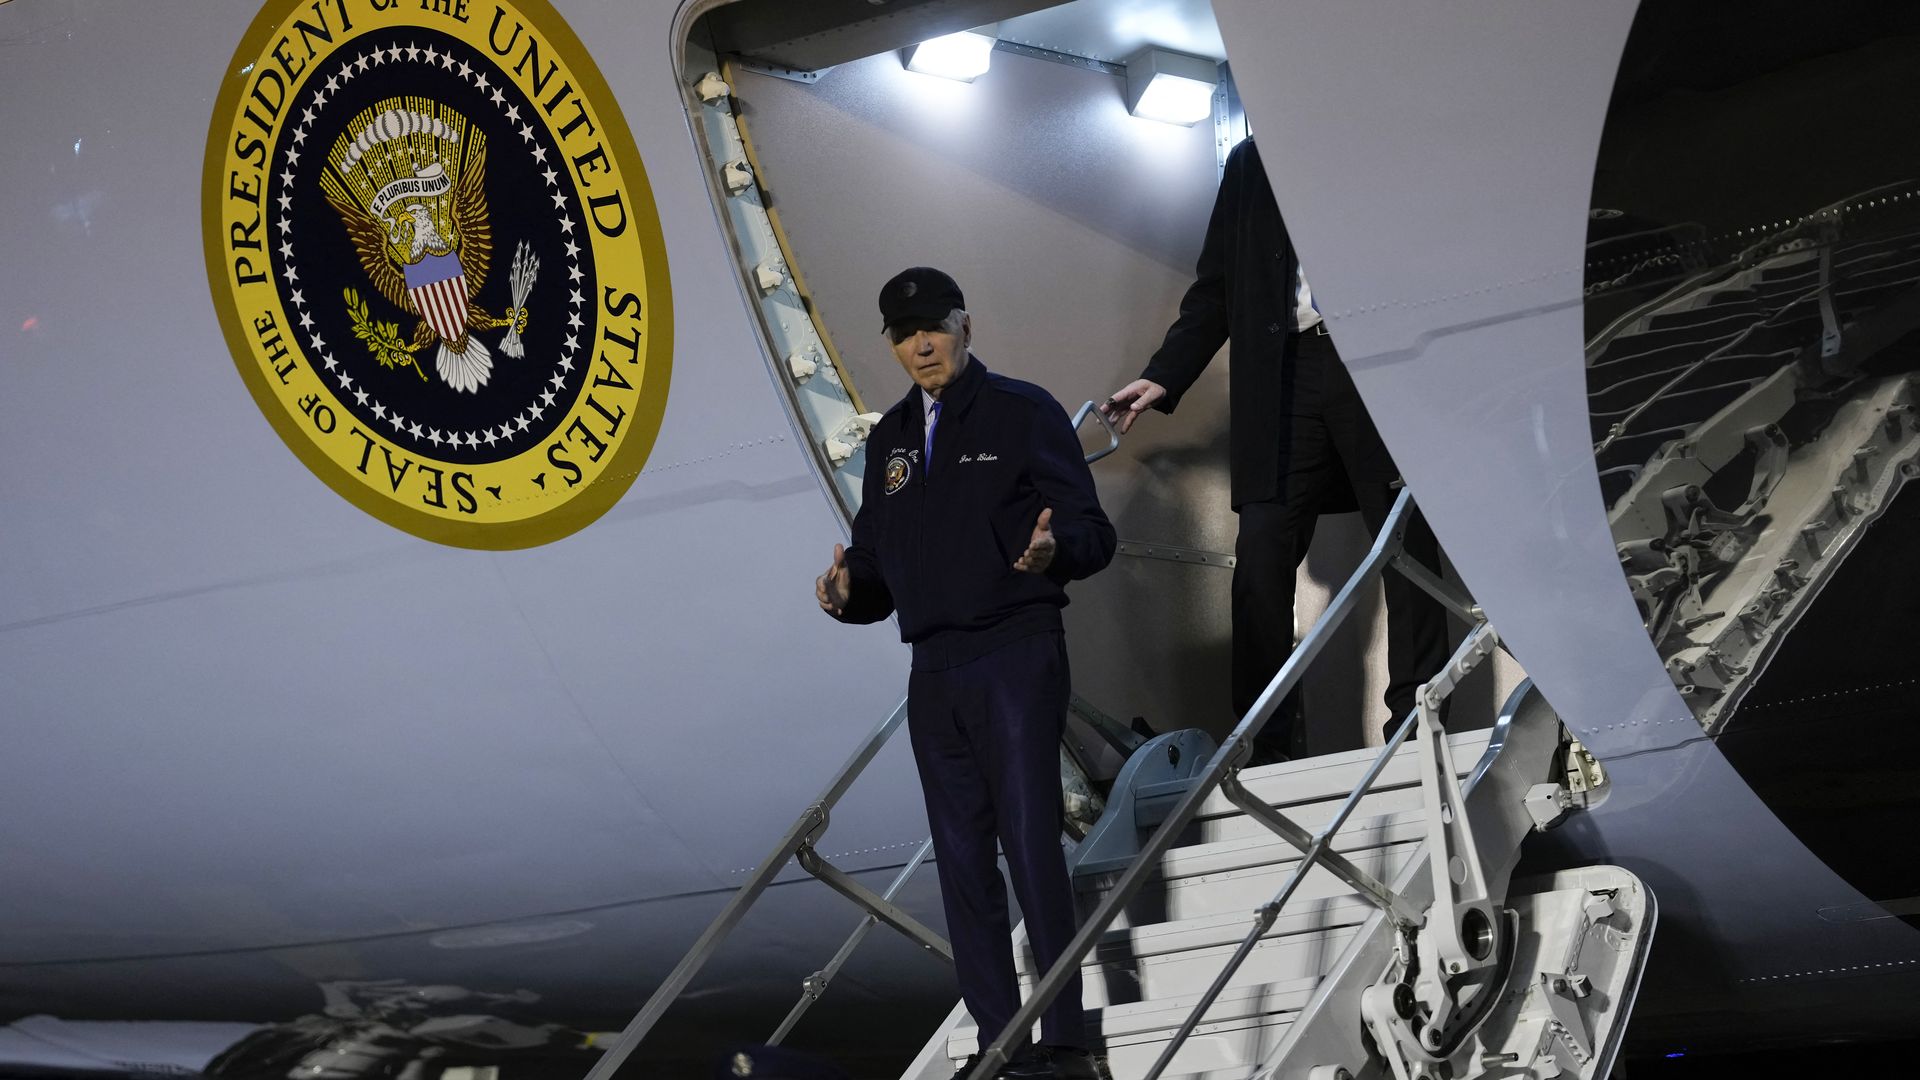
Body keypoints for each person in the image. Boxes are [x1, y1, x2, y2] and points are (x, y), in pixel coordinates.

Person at [816, 267, 1113, 1080]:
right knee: (959, 860)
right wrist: (846, 593)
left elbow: (1093, 531)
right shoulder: (890, 439)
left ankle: (1066, 1043)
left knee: (1029, 843)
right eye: (904, 334)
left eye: (934, 328)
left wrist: (1055, 551)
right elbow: (875, 561)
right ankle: (999, 1044)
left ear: (965, 326)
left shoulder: (1023, 411)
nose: (921, 345)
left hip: (1015, 650)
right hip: (934, 668)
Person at [1099, 138, 1449, 759]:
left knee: (1405, 541)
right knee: (1261, 554)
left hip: (1375, 362)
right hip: (1282, 375)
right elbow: (1217, 287)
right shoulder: (1248, 162)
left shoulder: (1376, 139)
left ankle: (1419, 725)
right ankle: (1266, 742)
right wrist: (1164, 374)